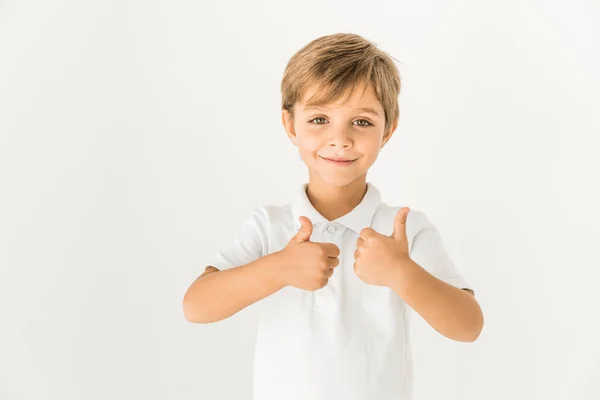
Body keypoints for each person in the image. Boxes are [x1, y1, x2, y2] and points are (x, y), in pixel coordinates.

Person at [183, 32, 484, 400]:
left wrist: (400, 271)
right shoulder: (270, 225)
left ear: (388, 129)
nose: (339, 139)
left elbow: (468, 326)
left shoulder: (404, 230)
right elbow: (196, 306)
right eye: (320, 118)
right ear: (291, 125)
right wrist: (279, 268)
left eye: (361, 122)